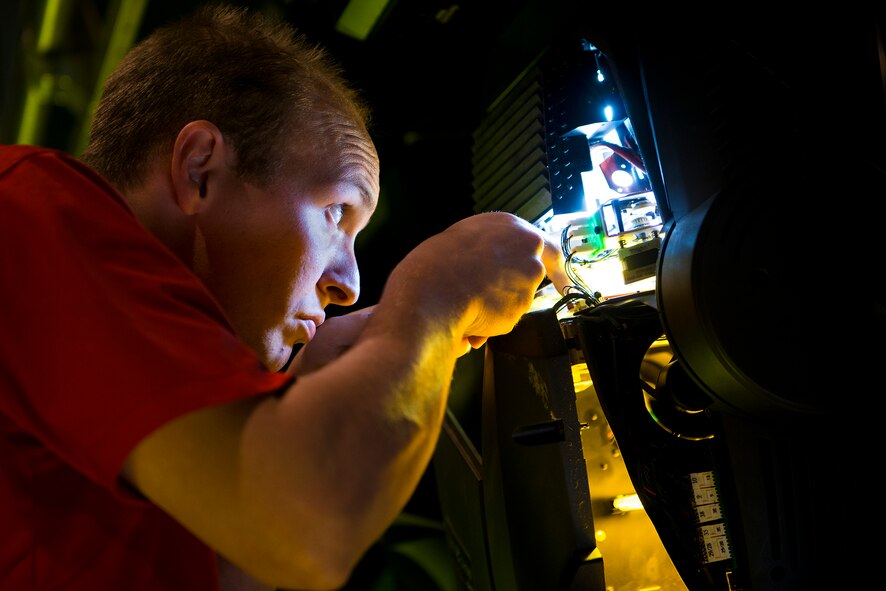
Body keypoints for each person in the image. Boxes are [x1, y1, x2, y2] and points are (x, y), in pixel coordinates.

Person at [0, 4, 567, 591]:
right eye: (335, 213)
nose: (347, 286)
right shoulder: (27, 203)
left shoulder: (127, 443)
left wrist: (324, 377)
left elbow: (246, 562)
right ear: (200, 170)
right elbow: (305, 529)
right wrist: (437, 289)